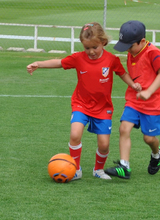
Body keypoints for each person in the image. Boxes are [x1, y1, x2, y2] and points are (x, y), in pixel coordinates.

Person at [27, 22, 141, 180]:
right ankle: (76, 168)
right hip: (81, 104)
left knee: (104, 144)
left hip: (103, 109)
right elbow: (59, 63)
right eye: (87, 48)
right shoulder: (78, 58)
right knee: (75, 134)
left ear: (103, 42)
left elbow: (122, 74)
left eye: (95, 47)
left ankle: (98, 170)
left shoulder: (112, 60)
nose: (91, 51)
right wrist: (39, 64)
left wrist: (133, 84)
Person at [105, 20, 160, 179]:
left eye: (130, 46)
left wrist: (149, 91)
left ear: (142, 41)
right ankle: (124, 166)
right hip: (134, 99)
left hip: (153, 102)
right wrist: (135, 85)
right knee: (124, 128)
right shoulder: (132, 52)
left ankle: (156, 155)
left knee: (149, 138)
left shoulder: (153, 53)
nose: (127, 50)